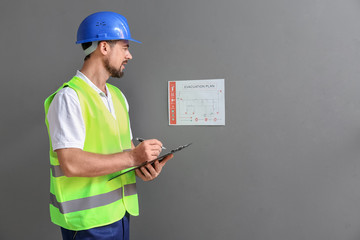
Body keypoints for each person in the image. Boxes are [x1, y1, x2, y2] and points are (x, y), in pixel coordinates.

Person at [44, 11, 173, 240]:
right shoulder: (69, 98)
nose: (129, 55)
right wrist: (134, 158)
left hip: (120, 215)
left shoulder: (118, 96)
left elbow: (124, 155)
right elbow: (71, 164)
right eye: (124, 47)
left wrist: (144, 166)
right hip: (86, 224)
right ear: (104, 47)